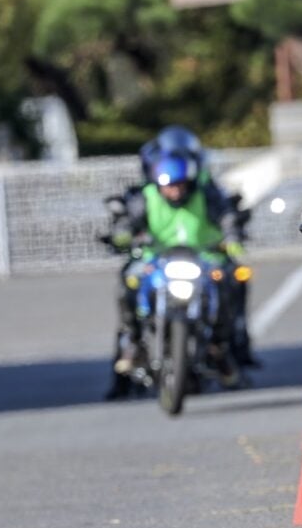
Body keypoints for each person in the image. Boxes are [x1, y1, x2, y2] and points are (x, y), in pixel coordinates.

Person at [103, 146, 249, 400]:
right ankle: (133, 338)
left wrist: (232, 236)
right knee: (129, 281)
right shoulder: (146, 196)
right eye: (169, 186)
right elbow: (128, 221)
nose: (174, 191)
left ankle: (219, 346)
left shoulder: (205, 195)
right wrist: (123, 234)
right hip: (156, 260)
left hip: (202, 259)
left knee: (226, 284)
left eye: (180, 185)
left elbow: (226, 217)